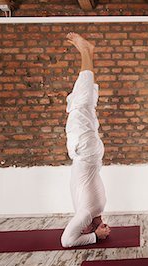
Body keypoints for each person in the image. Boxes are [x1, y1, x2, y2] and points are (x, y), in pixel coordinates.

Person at [61, 32, 111, 247]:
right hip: (86, 151)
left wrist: (95, 232)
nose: (104, 225)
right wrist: (95, 238)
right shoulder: (86, 213)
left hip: (88, 152)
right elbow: (66, 242)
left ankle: (88, 53)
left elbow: (72, 236)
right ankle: (85, 50)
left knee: (84, 103)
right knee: (82, 104)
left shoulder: (91, 211)